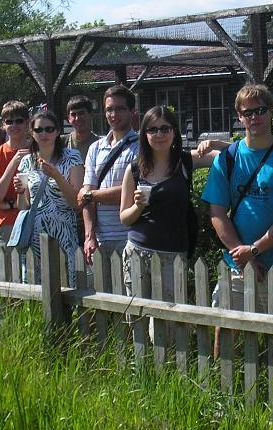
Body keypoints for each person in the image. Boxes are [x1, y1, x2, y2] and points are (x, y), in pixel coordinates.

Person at [202, 83, 273, 314]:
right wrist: (243, 253)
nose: (254, 117)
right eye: (248, 112)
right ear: (239, 116)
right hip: (237, 265)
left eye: (260, 110)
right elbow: (217, 212)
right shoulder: (227, 160)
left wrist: (254, 250)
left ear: (271, 111)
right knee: (227, 329)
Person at [119, 106, 197, 298]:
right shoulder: (134, 170)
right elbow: (125, 218)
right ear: (144, 134)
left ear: (174, 131)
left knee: (170, 315)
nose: (159, 134)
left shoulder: (185, 161)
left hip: (173, 254)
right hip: (138, 251)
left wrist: (214, 143)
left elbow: (230, 154)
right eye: (152, 129)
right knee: (138, 313)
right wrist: (138, 206)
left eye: (165, 128)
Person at [13, 108, 83, 281]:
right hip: (35, 233)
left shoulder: (72, 157)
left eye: (49, 129)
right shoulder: (27, 161)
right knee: (37, 284)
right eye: (38, 130)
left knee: (67, 281)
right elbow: (23, 206)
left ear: (57, 131)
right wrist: (20, 191)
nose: (44, 134)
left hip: (64, 230)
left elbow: (76, 202)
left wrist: (56, 176)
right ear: (32, 133)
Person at [80, 86, 140, 263]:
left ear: (132, 112)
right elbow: (85, 199)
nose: (114, 114)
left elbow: (133, 193)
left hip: (130, 237)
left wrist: (91, 195)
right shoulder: (95, 148)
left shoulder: (141, 147)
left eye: (120, 109)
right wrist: (89, 236)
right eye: (109, 109)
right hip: (99, 240)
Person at [0, 101, 32, 251]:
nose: (14, 125)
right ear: (3, 124)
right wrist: (13, 163)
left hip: (36, 220)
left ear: (27, 123)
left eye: (19, 121)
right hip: (7, 223)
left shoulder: (37, 150)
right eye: (9, 122)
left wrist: (10, 204)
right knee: (6, 266)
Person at [64, 95, 97, 163]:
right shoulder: (61, 144)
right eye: (73, 115)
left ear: (91, 115)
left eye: (81, 113)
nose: (77, 118)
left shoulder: (101, 145)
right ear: (68, 118)